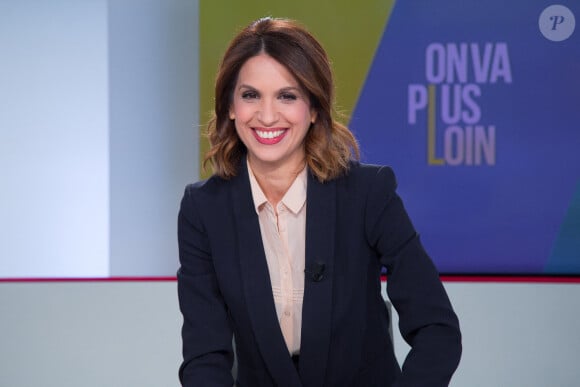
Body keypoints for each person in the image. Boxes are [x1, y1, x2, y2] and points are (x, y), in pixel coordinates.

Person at [177, 17, 461, 387]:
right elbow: (204, 358)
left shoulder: (367, 194)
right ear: (230, 107)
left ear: (313, 108)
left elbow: (436, 330)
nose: (266, 115)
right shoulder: (204, 210)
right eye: (250, 95)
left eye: (287, 95)